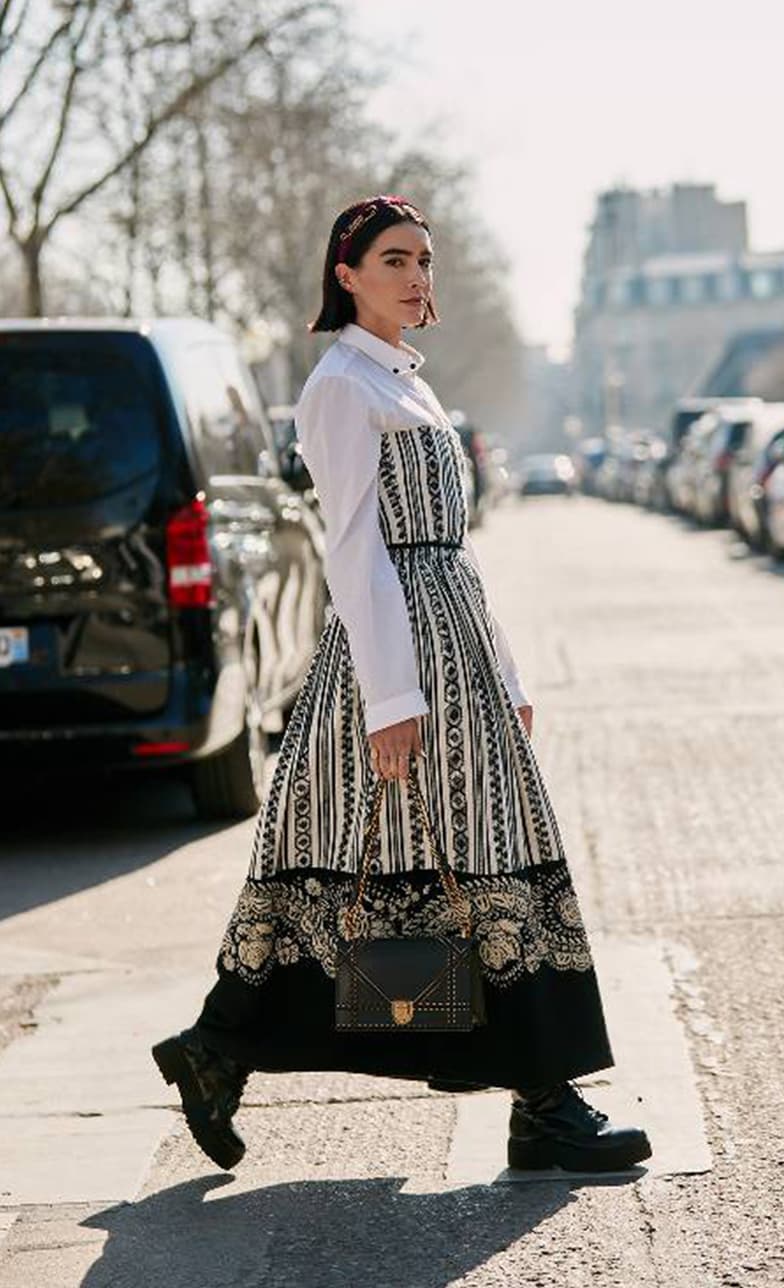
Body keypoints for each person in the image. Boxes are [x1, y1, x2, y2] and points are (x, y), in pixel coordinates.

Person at [152, 194, 651, 1176]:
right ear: (345, 275)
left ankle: (223, 1044)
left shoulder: (404, 383)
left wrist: (500, 669)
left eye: (423, 258)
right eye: (393, 258)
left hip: (450, 649)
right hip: (400, 662)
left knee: (447, 859)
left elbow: (449, 551)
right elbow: (354, 550)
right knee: (416, 863)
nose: (416, 276)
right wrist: (391, 698)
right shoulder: (342, 385)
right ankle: (541, 1107)